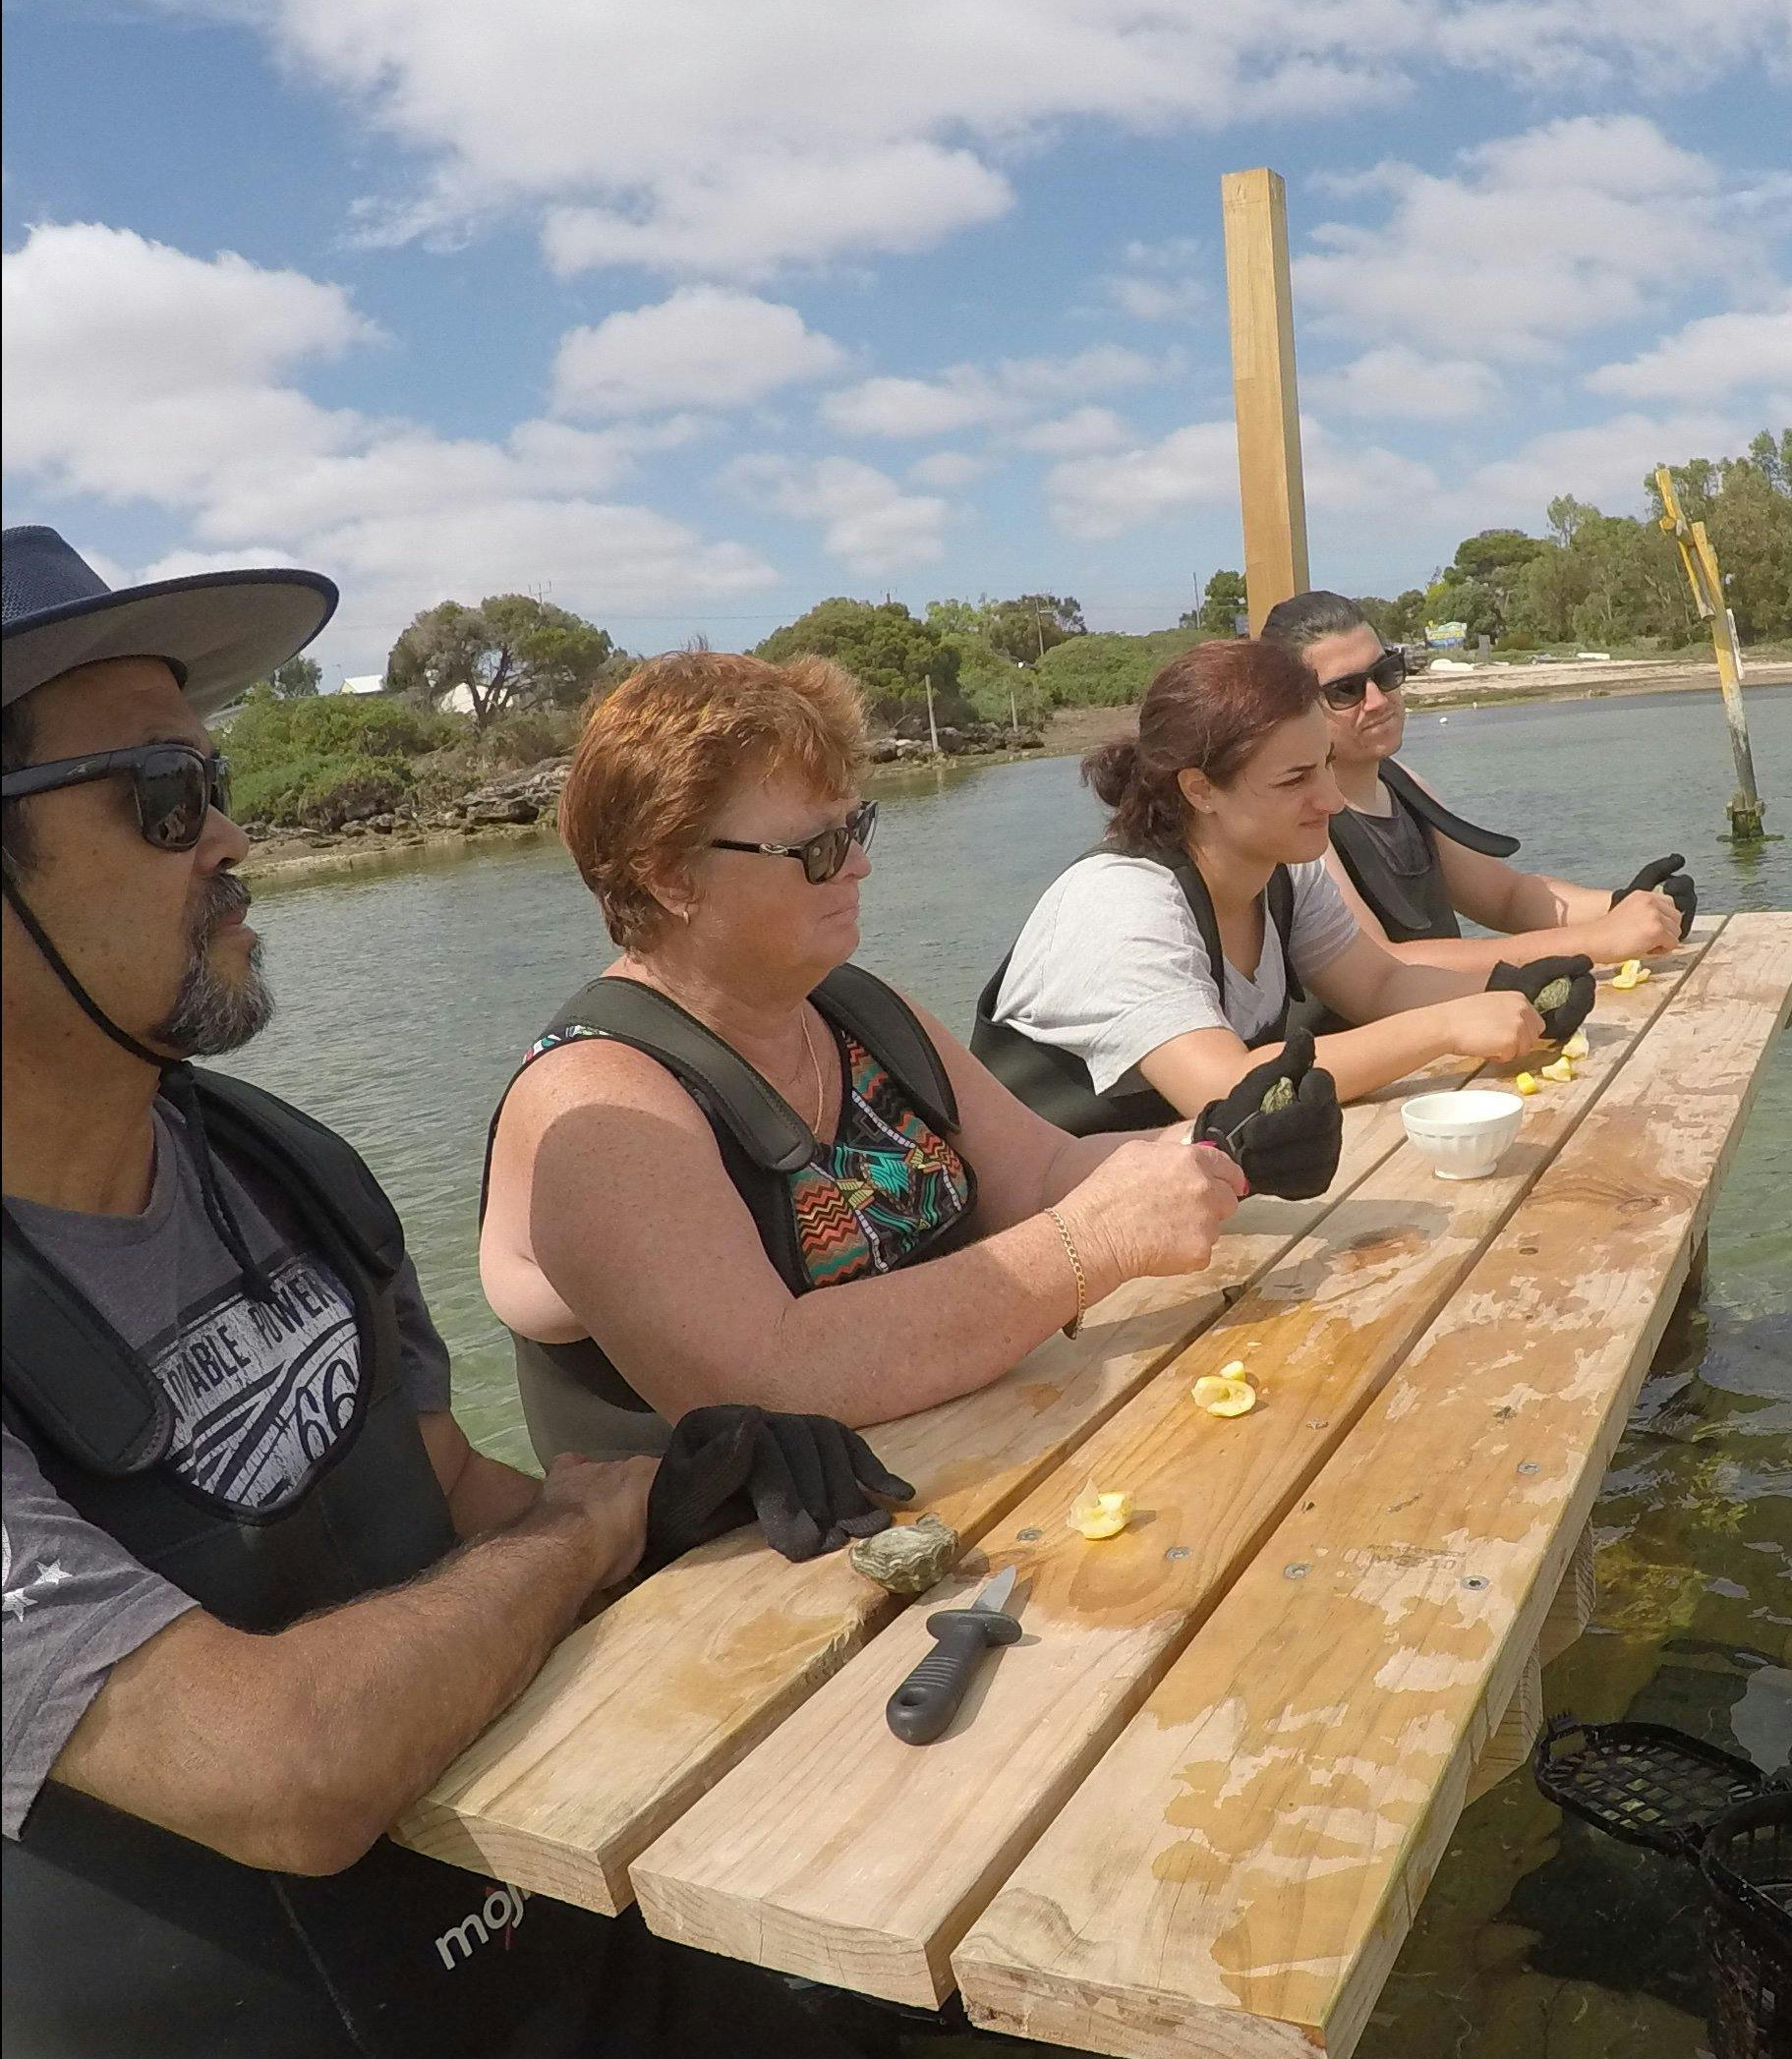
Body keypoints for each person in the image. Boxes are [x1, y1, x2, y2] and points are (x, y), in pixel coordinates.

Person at [0, 528, 891, 2059]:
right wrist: (578, 1537)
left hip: (559, 1960)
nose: (230, 835)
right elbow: (279, 1767)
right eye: (162, 794)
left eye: (216, 779)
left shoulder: (286, 1171)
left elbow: (449, 1492)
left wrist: (667, 1498)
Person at [479, 651, 1273, 1459]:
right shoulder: (592, 1103)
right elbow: (766, 1376)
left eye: (854, 827)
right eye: (818, 849)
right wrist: (1090, 1245)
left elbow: (1041, 1174)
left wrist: (1226, 1143)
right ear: (670, 878)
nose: (859, 864)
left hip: (981, 1469)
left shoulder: (853, 1009)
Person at [974, 638, 1586, 1133]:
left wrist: (1515, 989)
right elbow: (1223, 1087)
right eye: (1295, 780)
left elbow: (1378, 983)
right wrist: (1446, 1027)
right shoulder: (1119, 904)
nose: (1331, 799)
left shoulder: (1283, 869)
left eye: (1326, 764)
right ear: (1200, 789)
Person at [1256, 591, 1695, 968]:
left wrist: (1627, 905)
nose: (1377, 701)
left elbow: (1506, 897)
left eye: (1386, 674)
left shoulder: (1404, 786)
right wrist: (1599, 939)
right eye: (1345, 691)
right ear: (1294, 706)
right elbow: (1382, 967)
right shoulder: (1306, 824)